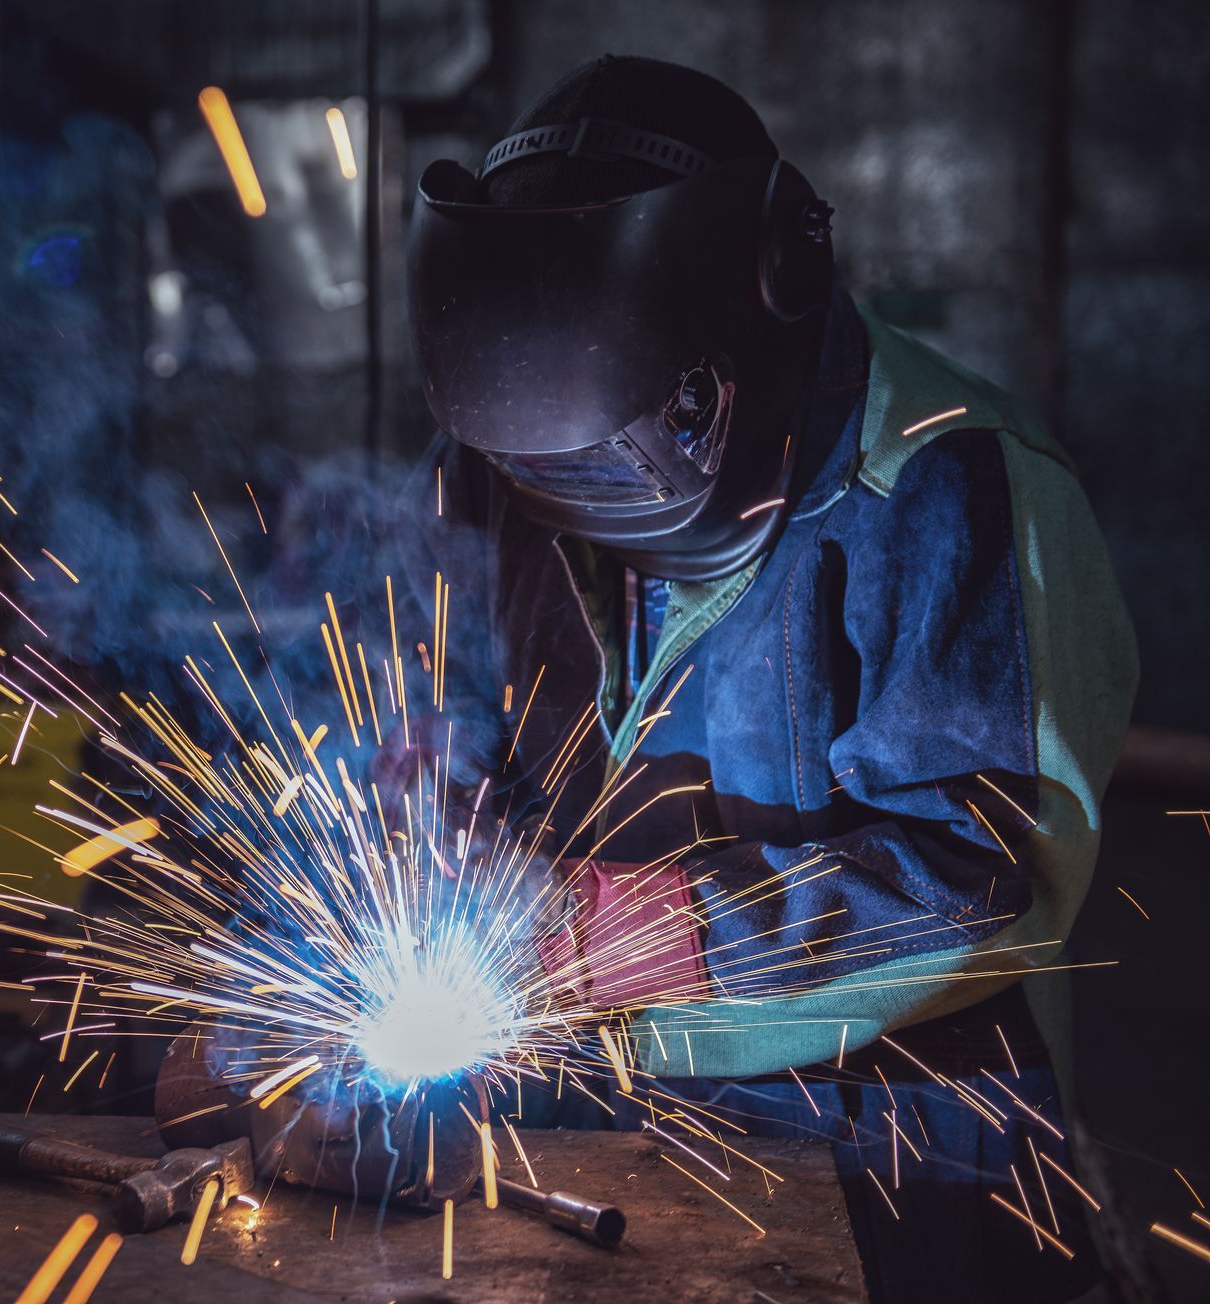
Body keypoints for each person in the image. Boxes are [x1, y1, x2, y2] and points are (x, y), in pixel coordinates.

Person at [389, 54, 1138, 1302]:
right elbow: (461, 704)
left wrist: (610, 936)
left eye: (637, 450)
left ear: (762, 303)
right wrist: (431, 803)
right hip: (604, 1130)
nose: (584, 502)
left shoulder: (952, 488)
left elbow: (986, 879)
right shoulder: (504, 451)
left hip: (902, 1156)